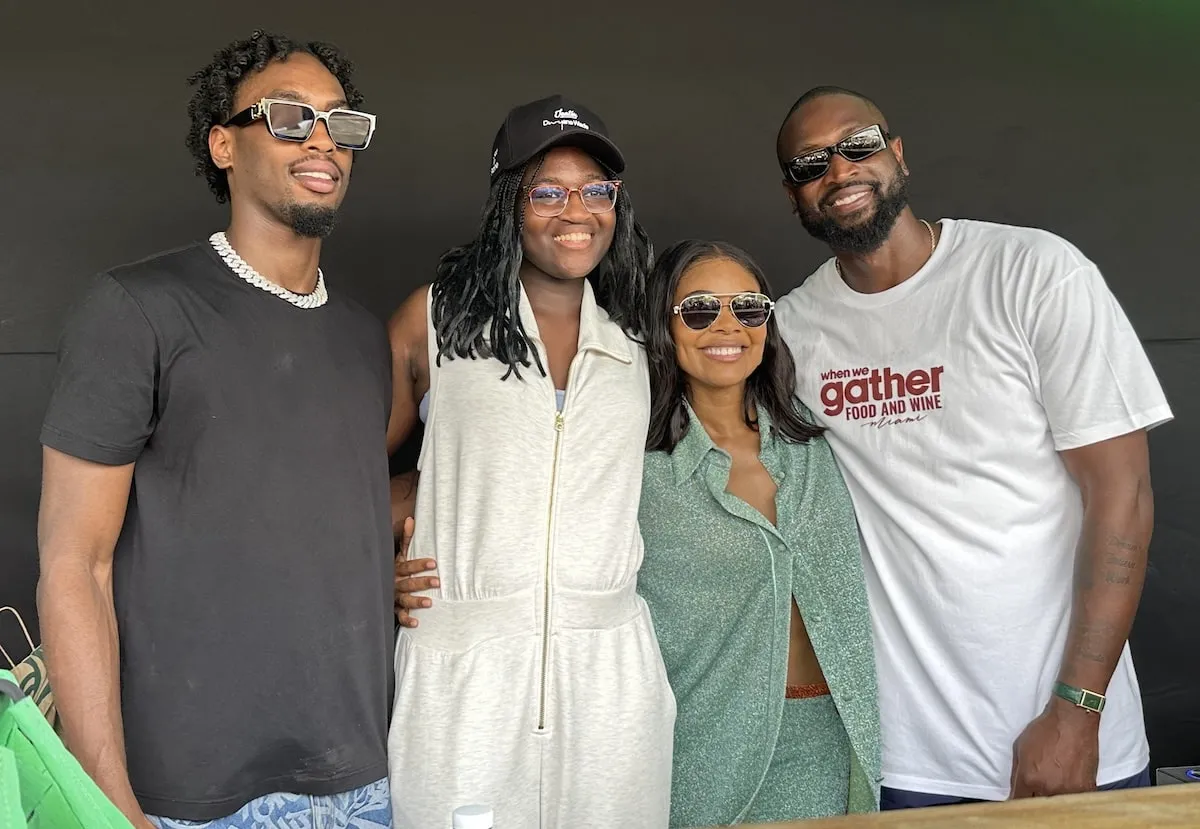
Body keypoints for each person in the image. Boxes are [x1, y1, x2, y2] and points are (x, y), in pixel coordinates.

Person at [772, 85, 1174, 809]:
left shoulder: (1033, 273)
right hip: (900, 760)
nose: (839, 170)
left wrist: (1077, 710)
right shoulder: (789, 331)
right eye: (811, 163)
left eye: (858, 145)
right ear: (793, 193)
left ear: (897, 155)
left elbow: (1124, 494)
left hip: (1074, 744)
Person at [36, 31, 394, 829]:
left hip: (367, 786)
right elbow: (74, 563)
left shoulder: (364, 337)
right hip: (190, 802)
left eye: (340, 122)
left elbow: (321, 501)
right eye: (292, 118)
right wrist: (106, 796)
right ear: (224, 144)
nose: (324, 142)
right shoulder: (136, 311)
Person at [384, 95, 675, 828]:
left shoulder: (639, 334)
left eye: (595, 190)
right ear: (508, 203)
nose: (575, 210)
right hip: (463, 672)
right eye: (547, 190)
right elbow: (340, 467)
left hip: (609, 675)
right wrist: (376, 552)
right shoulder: (435, 317)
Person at [635, 239, 881, 827]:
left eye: (749, 308)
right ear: (662, 326)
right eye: (698, 309)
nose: (728, 326)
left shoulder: (816, 448)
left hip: (826, 741)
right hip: (698, 751)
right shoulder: (632, 469)